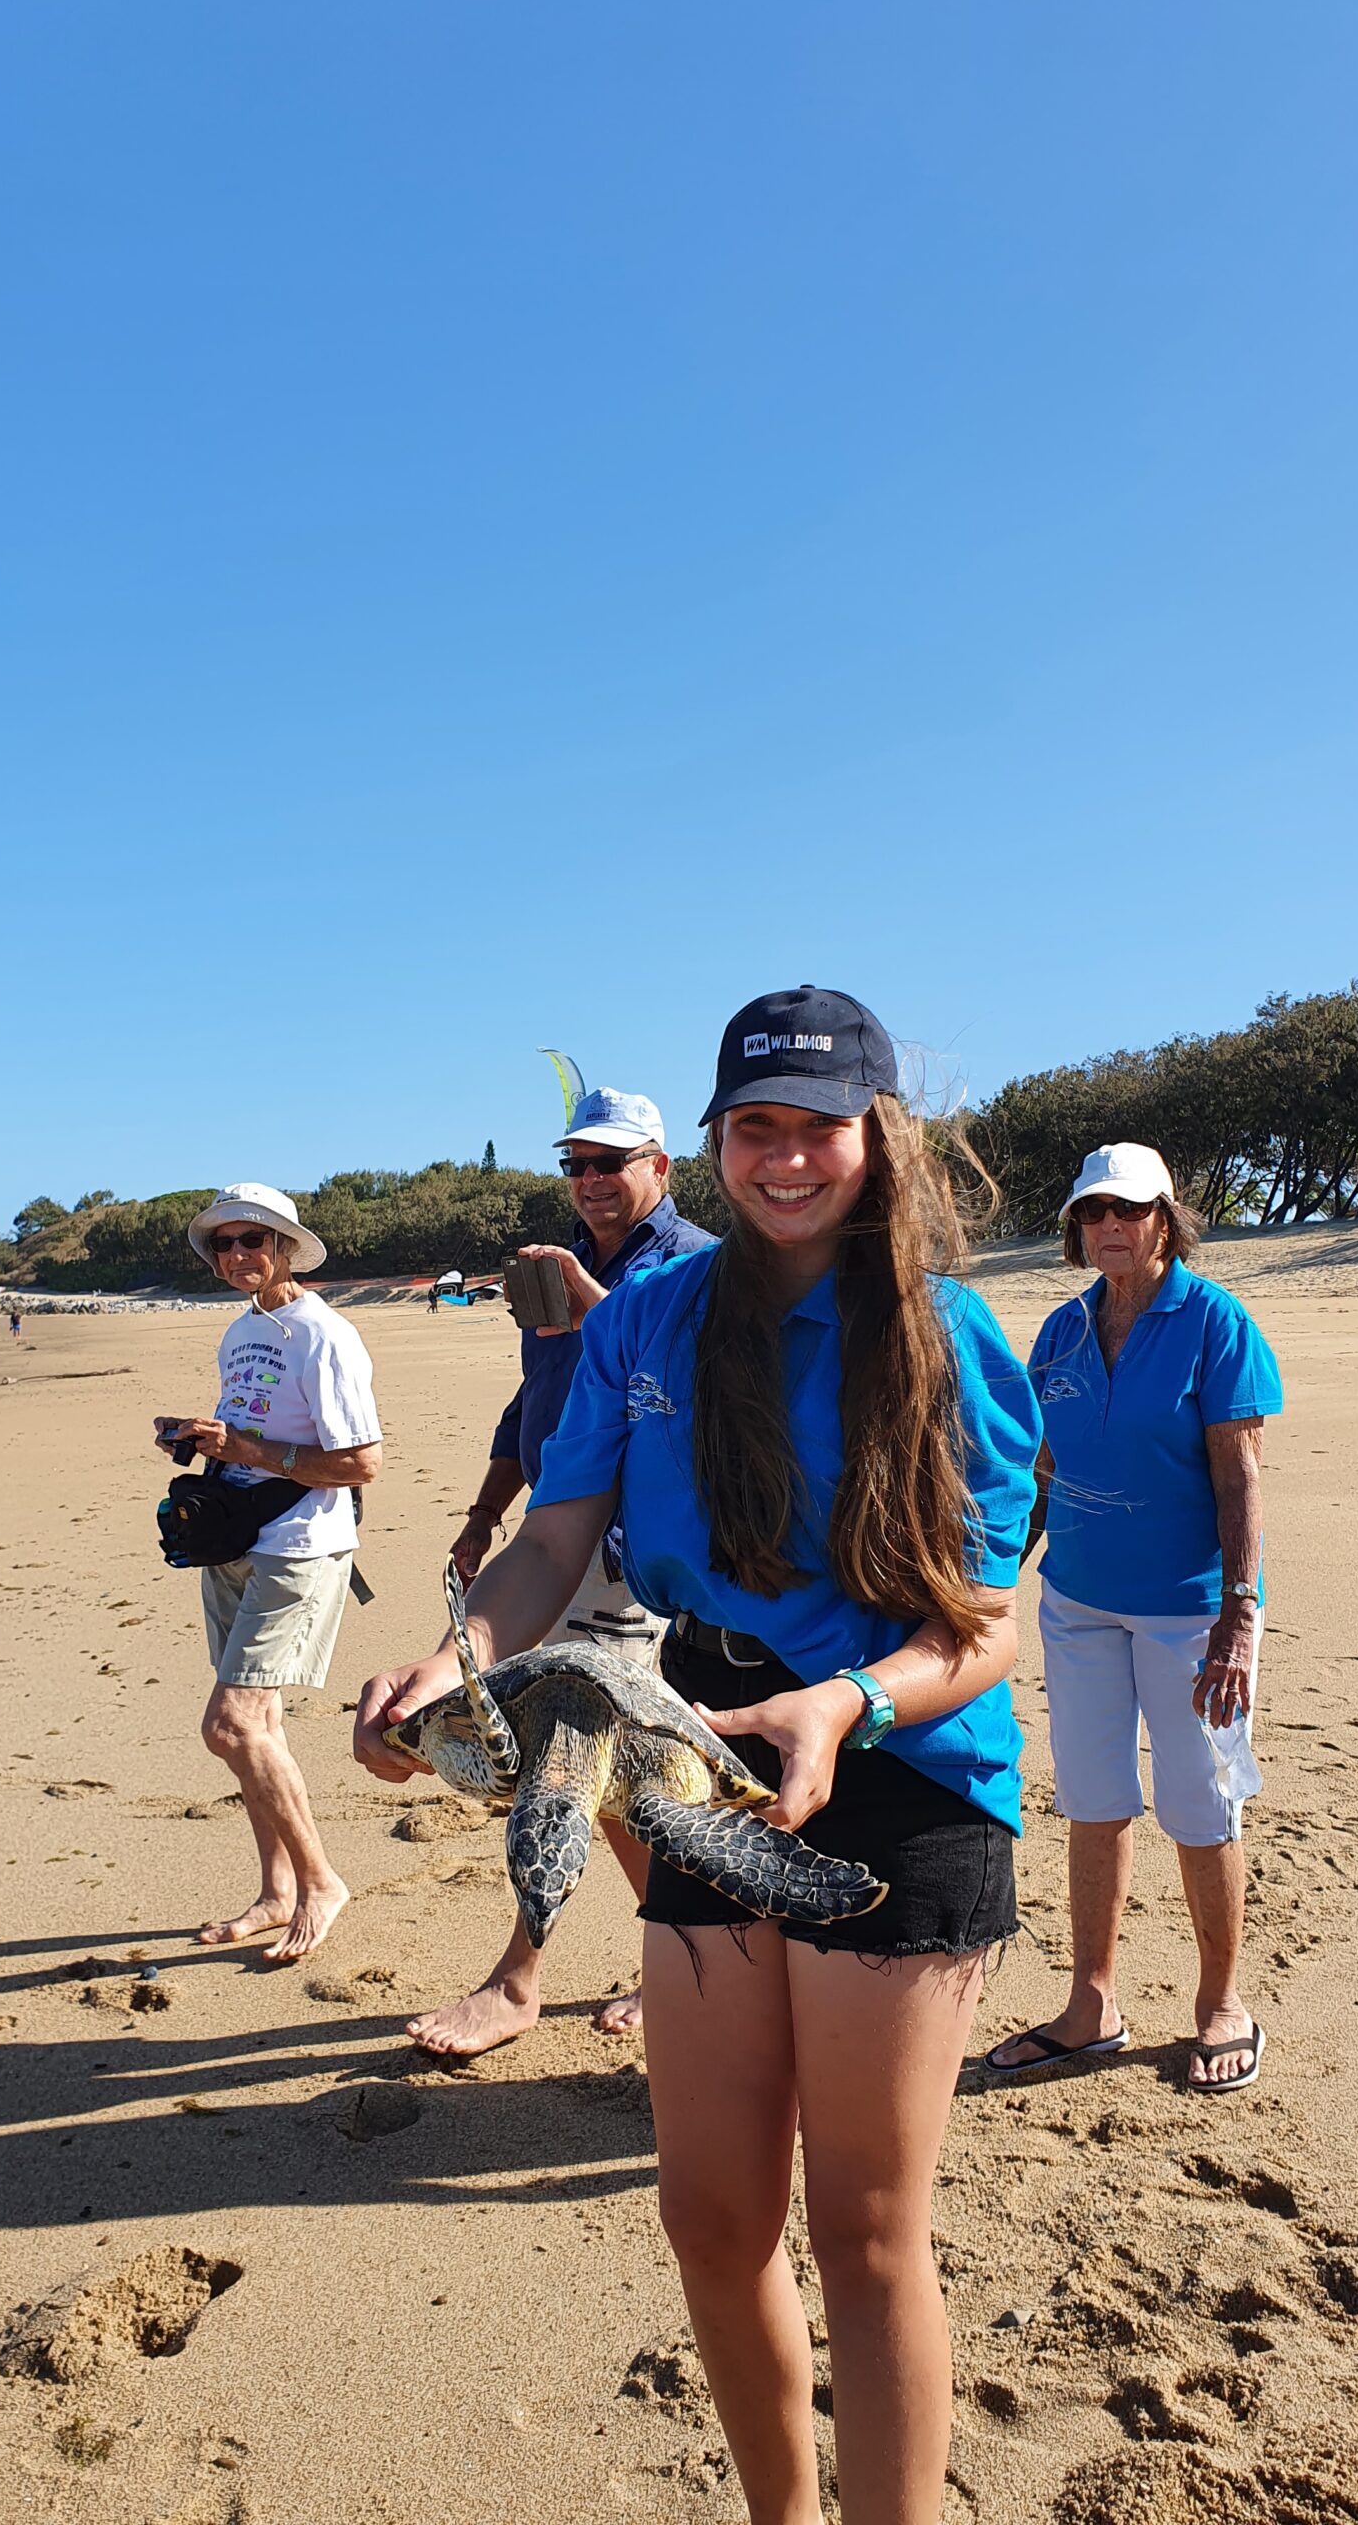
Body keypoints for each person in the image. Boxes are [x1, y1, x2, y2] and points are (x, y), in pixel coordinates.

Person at [358, 991, 1041, 2525]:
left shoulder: (947, 1332)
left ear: (877, 1137)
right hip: (696, 1754)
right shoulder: (647, 1323)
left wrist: (848, 1703)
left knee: (867, 2230)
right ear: (718, 1142)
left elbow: (989, 1632)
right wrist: (455, 1661)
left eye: (818, 1127)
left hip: (904, 1770)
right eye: (757, 1128)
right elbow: (552, 1543)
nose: (786, 1158)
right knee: (712, 2215)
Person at [406, 1088, 712, 2056]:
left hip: (622, 1550)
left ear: (660, 1167)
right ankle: (675, 1953)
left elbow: (680, 1370)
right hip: (550, 1536)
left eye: (609, 1162)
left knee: (570, 1758)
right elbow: (530, 1400)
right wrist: (481, 1516)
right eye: (574, 1165)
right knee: (606, 1766)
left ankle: (520, 1979)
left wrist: (585, 1298)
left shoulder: (691, 1262)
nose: (588, 1181)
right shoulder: (567, 1265)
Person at [987, 1143, 1282, 2095]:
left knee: (1202, 1806)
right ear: (1078, 1227)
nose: (1112, 1226)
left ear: (1166, 1217)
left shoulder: (1215, 1322)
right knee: (1093, 1801)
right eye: (1094, 1212)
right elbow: (1036, 1473)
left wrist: (1241, 1615)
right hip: (1078, 1605)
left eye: (1132, 1210)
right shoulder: (1062, 1332)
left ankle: (1221, 2004)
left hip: (1191, 1615)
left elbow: (1239, 1479)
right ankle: (1092, 2004)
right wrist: (991, 1575)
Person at [158, 1183, 383, 1965]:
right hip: (236, 1537)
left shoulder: (323, 1336)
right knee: (262, 1727)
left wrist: (245, 1451)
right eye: (223, 1244)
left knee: (232, 1725)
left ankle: (321, 1882)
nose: (237, 1255)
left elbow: (363, 1462)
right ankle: (276, 1890)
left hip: (301, 1546)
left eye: (252, 1240)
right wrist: (202, 1440)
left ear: (285, 1248)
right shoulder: (242, 1331)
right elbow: (253, 1430)